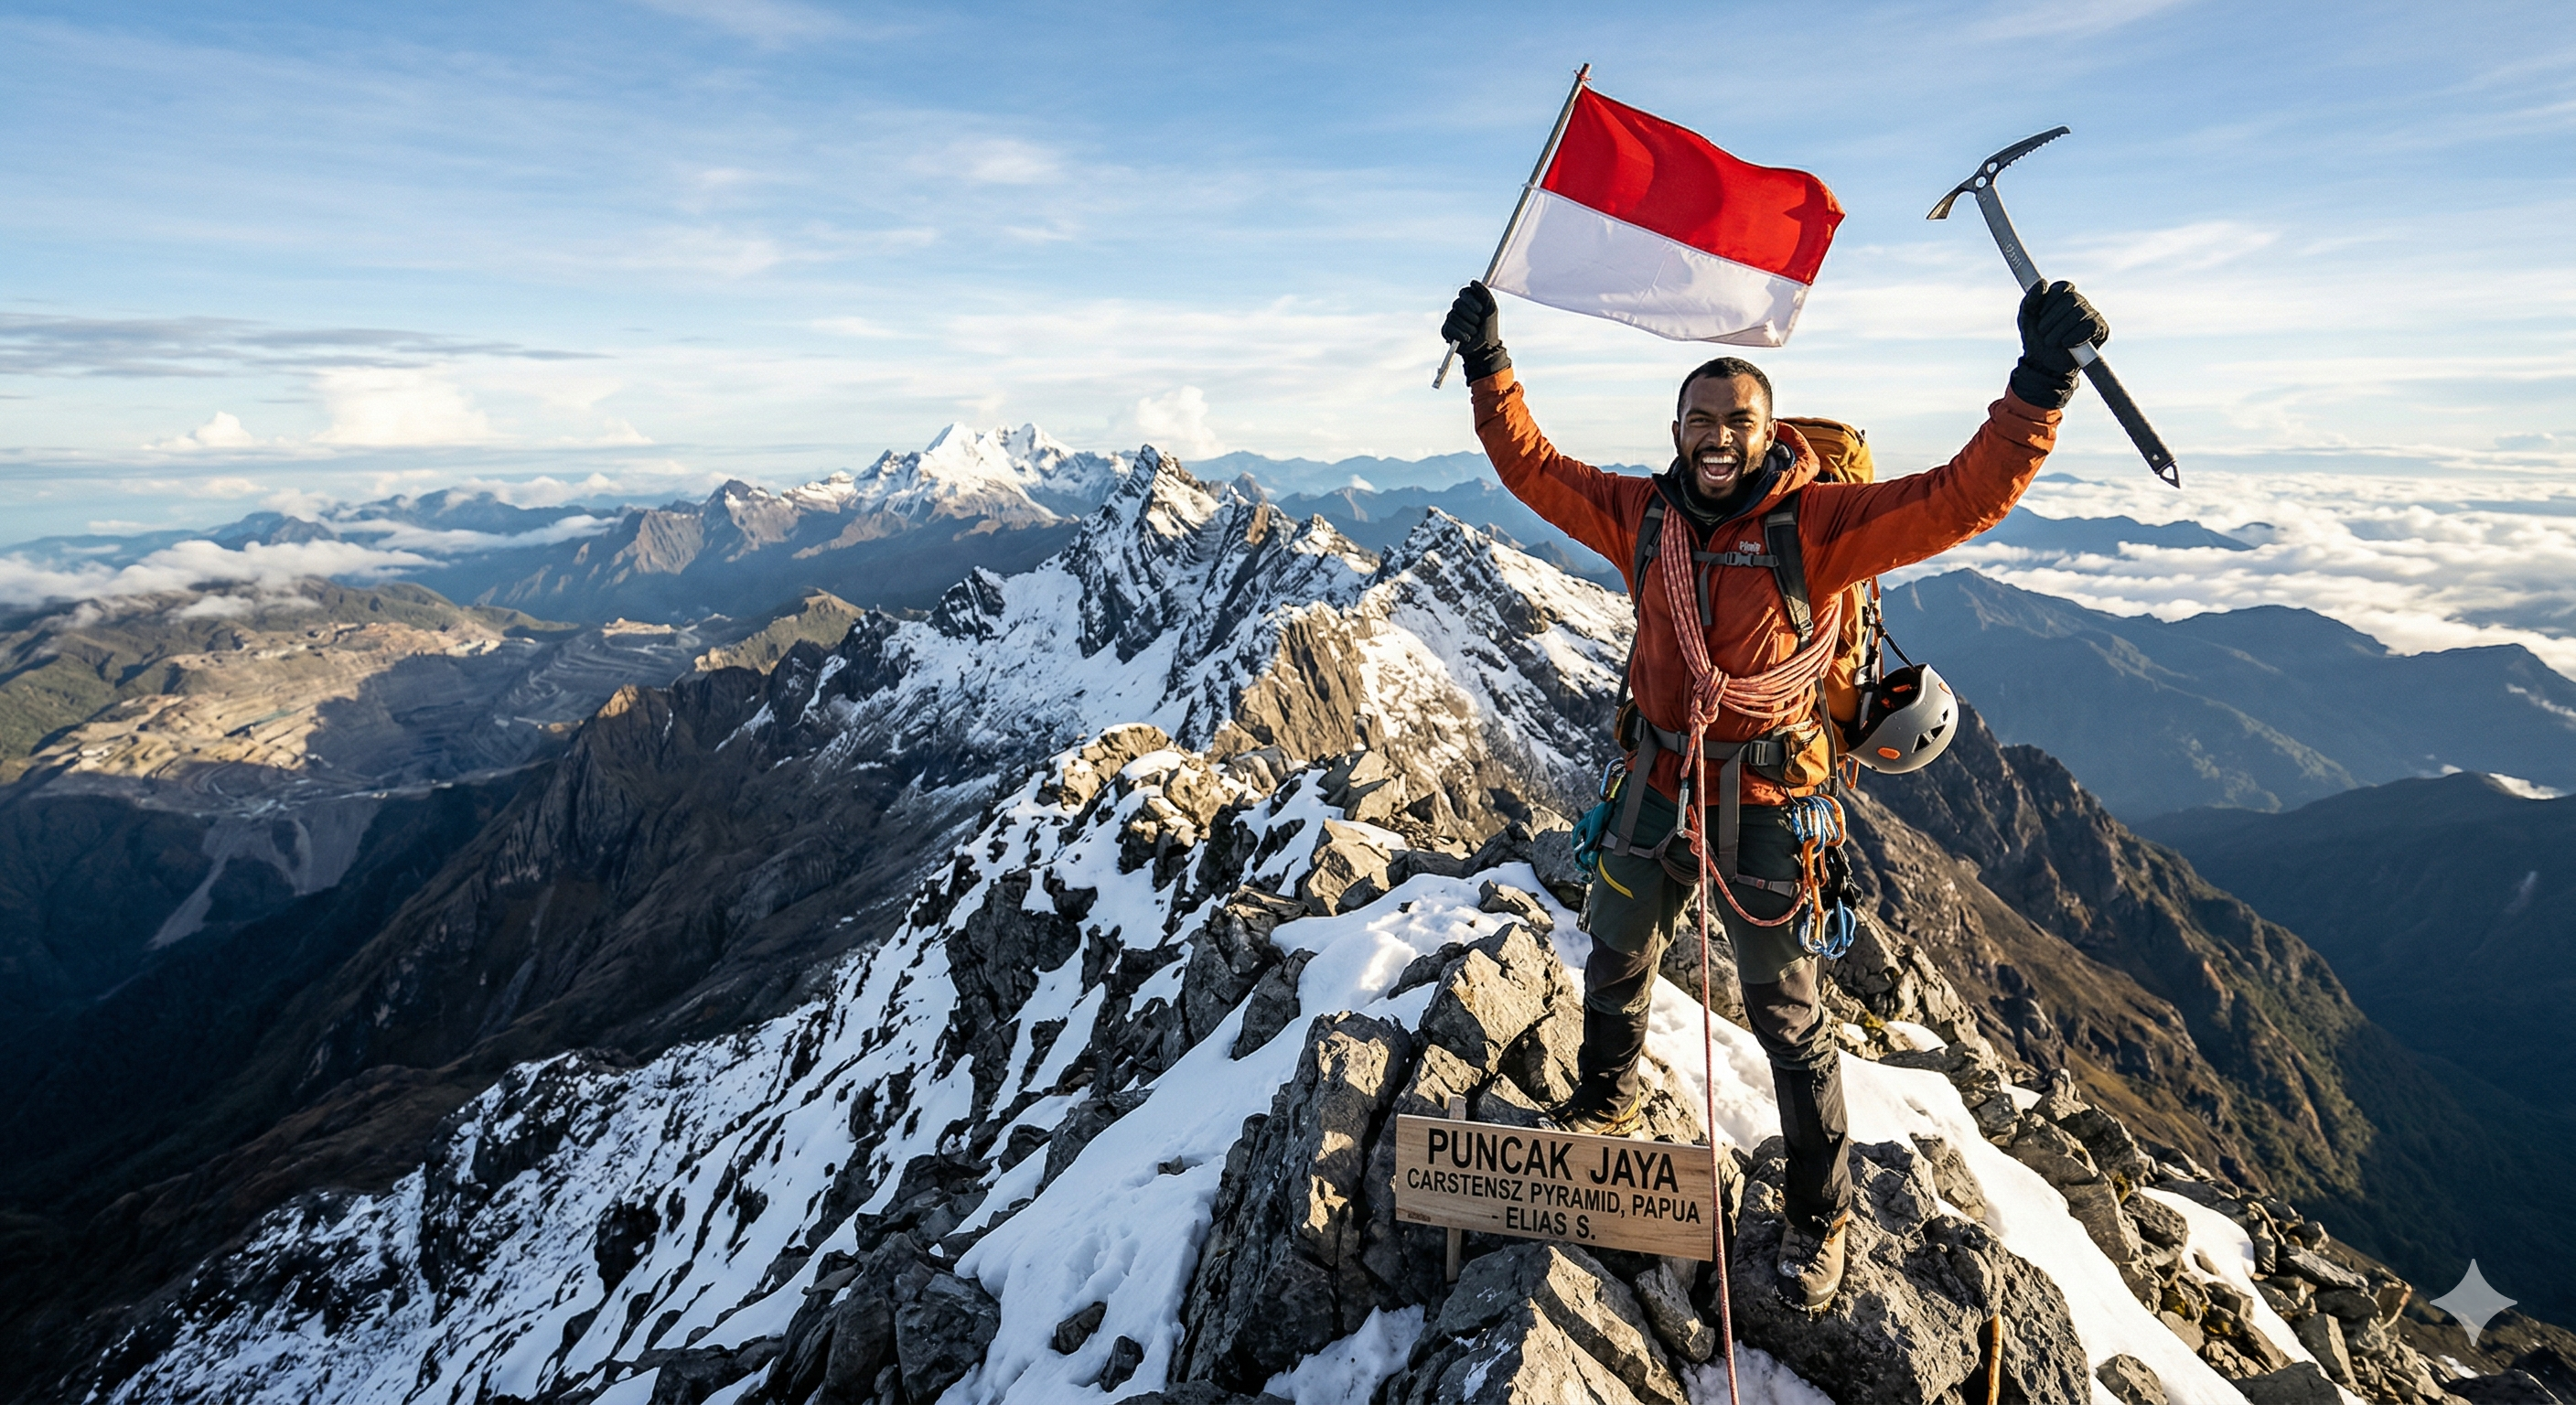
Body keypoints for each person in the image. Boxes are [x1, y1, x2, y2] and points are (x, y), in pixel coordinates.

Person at [1440, 276, 2107, 1310]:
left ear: (1765, 432)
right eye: (1698, 420)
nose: (1715, 438)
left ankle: (1816, 1217)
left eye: (1734, 422)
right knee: (1616, 950)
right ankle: (1606, 1107)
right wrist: (1490, 366)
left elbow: (1959, 496)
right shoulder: (1642, 515)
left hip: (1766, 800)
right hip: (1657, 779)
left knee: (1785, 1015)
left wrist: (2038, 384)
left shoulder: (1818, 525)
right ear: (1674, 430)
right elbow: (1532, 468)